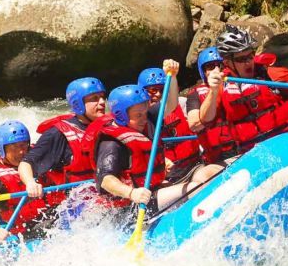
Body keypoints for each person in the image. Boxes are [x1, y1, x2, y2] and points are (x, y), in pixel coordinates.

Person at [187, 25, 288, 166]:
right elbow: (205, 121)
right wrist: (213, 91)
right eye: (242, 59)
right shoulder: (220, 88)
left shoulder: (273, 75)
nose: (249, 62)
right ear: (227, 62)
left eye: (250, 55)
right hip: (254, 156)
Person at [83, 60, 200, 216]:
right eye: (138, 115)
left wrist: (171, 77)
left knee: (200, 182)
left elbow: (170, 104)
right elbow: (105, 179)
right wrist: (132, 193)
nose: (144, 118)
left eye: (145, 112)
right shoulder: (111, 143)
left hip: (151, 191)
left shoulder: (147, 118)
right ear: (121, 116)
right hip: (130, 206)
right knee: (194, 188)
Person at [18, 77, 106, 203]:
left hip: (106, 199)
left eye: (103, 97)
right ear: (78, 104)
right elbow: (26, 163)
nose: (102, 102)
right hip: (76, 206)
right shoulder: (58, 133)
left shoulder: (109, 126)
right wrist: (30, 182)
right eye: (94, 99)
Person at [0, 120, 52, 244]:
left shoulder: (38, 155)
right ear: (3, 149)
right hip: (22, 228)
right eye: (14, 147)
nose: (21, 152)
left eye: (24, 145)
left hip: (50, 216)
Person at [137, 67, 201, 183]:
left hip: (194, 165)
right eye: (153, 90)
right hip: (167, 177)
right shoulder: (138, 119)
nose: (158, 94)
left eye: (162, 90)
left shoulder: (181, 103)